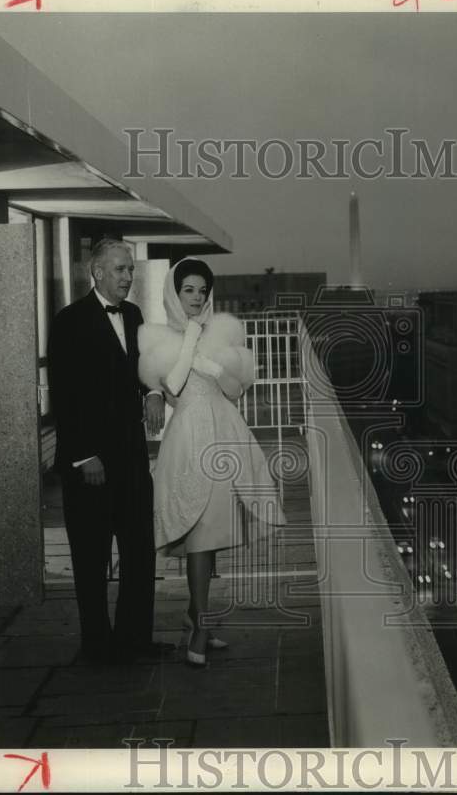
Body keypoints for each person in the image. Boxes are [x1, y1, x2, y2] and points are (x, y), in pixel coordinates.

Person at [138, 257, 286, 666]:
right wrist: (190, 341)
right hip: (188, 439)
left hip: (226, 437)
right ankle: (201, 624)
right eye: (188, 289)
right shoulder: (156, 338)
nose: (196, 297)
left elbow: (236, 390)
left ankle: (195, 614)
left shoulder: (223, 330)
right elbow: (172, 386)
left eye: (202, 290)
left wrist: (212, 362)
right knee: (199, 531)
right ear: (174, 292)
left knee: (212, 530)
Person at [48, 238, 173, 664]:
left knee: (139, 552)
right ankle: (97, 648)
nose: (128, 277)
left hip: (131, 458)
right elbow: (64, 393)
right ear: (97, 272)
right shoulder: (69, 321)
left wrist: (153, 391)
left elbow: (141, 367)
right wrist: (84, 455)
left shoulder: (133, 314)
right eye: (120, 269)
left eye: (131, 269)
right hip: (89, 462)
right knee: (91, 556)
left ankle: (135, 640)